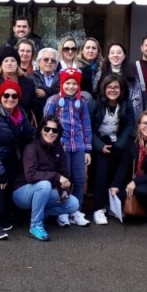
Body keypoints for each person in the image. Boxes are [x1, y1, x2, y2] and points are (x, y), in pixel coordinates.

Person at [0, 80, 37, 240]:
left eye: (14, 95)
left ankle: (3, 216)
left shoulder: (20, 113)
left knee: (11, 181)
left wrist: (48, 137)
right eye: (6, 95)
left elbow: (30, 132)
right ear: (0, 97)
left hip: (7, 153)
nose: (10, 99)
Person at [14, 117, 80, 241]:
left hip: (43, 191)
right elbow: (31, 175)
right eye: (47, 129)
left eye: (54, 130)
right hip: (22, 192)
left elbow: (64, 174)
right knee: (44, 185)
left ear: (58, 133)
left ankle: (37, 214)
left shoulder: (59, 148)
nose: (50, 133)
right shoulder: (31, 148)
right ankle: (35, 226)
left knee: (73, 203)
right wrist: (56, 176)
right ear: (40, 130)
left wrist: (63, 191)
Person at [43, 68, 92, 227]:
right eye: (68, 83)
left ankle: (75, 210)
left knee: (79, 178)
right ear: (62, 83)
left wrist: (87, 148)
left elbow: (86, 125)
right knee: (65, 179)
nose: (71, 87)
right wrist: (53, 144)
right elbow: (46, 124)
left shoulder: (82, 102)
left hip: (78, 145)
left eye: (74, 84)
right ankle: (62, 210)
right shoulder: (54, 100)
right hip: (61, 147)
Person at [88, 74, 136, 225]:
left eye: (116, 87)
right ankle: (98, 208)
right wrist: (99, 146)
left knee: (118, 171)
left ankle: (114, 205)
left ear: (121, 90)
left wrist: (120, 143)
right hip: (98, 141)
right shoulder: (94, 103)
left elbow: (130, 124)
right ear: (104, 88)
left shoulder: (126, 104)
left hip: (117, 141)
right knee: (101, 171)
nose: (113, 90)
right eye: (110, 87)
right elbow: (87, 127)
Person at [99, 43, 144, 118]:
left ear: (124, 56)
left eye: (119, 52)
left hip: (127, 118)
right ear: (108, 56)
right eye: (112, 52)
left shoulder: (132, 75)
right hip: (104, 118)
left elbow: (137, 100)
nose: (115, 55)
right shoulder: (100, 74)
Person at [31, 48, 61, 121]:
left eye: (53, 60)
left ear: (56, 64)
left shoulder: (62, 78)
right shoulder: (30, 78)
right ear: (39, 62)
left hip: (58, 118)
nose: (49, 62)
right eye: (46, 59)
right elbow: (33, 96)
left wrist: (46, 93)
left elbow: (64, 94)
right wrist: (53, 92)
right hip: (37, 118)